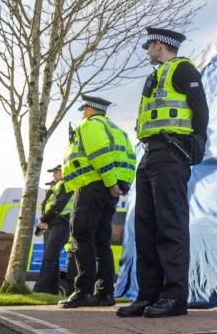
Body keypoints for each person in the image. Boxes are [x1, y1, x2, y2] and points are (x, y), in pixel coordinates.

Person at [117, 27, 209, 319]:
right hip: (149, 154)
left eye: (149, 46)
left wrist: (198, 141)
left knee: (170, 226)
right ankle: (148, 296)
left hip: (171, 152)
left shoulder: (183, 70)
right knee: (145, 230)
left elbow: (201, 109)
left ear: (160, 45)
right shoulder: (155, 76)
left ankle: (173, 297)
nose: (147, 51)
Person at [58, 95, 136, 308]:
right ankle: (105, 294)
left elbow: (99, 155)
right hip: (109, 191)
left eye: (83, 109)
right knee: (102, 241)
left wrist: (111, 182)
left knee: (81, 236)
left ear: (90, 110)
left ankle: (83, 292)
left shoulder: (90, 125)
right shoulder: (118, 130)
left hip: (93, 185)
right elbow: (130, 160)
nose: (82, 113)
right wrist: (120, 186)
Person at [33, 165, 73, 295]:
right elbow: (47, 205)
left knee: (49, 258)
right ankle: (52, 291)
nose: (53, 175)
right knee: (52, 259)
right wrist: (41, 225)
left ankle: (40, 290)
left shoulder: (67, 184)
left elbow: (58, 205)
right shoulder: (55, 186)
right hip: (52, 224)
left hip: (61, 224)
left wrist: (44, 219)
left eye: (56, 172)